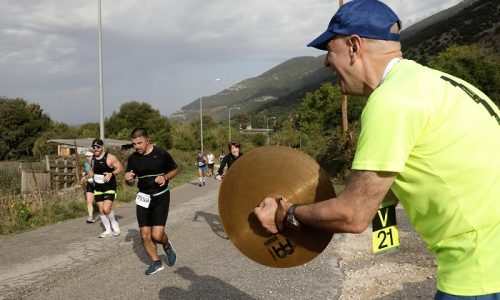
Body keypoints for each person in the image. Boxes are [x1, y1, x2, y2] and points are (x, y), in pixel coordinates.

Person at [253, 0, 500, 299]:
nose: (326, 63)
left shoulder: (391, 100)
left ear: (354, 46)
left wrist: (287, 212)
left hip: (479, 272)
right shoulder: (445, 84)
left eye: (330, 50)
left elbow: (353, 216)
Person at [124, 128, 179, 275]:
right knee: (144, 235)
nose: (137, 147)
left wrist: (165, 178)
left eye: (139, 143)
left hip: (161, 196)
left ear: (147, 140)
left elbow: (175, 170)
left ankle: (167, 246)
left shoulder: (161, 154)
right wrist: (128, 180)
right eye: (134, 144)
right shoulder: (133, 158)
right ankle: (156, 262)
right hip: (143, 198)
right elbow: (130, 179)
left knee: (157, 235)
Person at [90, 139, 123, 238]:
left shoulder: (110, 157)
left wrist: (111, 174)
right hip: (98, 187)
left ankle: (115, 226)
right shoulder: (92, 159)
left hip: (109, 186)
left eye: (98, 147)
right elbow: (92, 171)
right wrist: (86, 177)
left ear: (102, 147)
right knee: (101, 210)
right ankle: (108, 231)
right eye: (94, 147)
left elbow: (120, 168)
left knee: (106, 209)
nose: (96, 149)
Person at [81, 151, 95, 223]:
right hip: (90, 183)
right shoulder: (86, 163)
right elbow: (87, 173)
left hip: (98, 184)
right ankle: (90, 217)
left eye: (89, 156)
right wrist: (84, 174)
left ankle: (106, 214)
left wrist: (85, 177)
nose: (87, 157)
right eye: (86, 156)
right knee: (89, 201)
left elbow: (91, 173)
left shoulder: (96, 163)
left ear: (93, 156)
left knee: (100, 202)